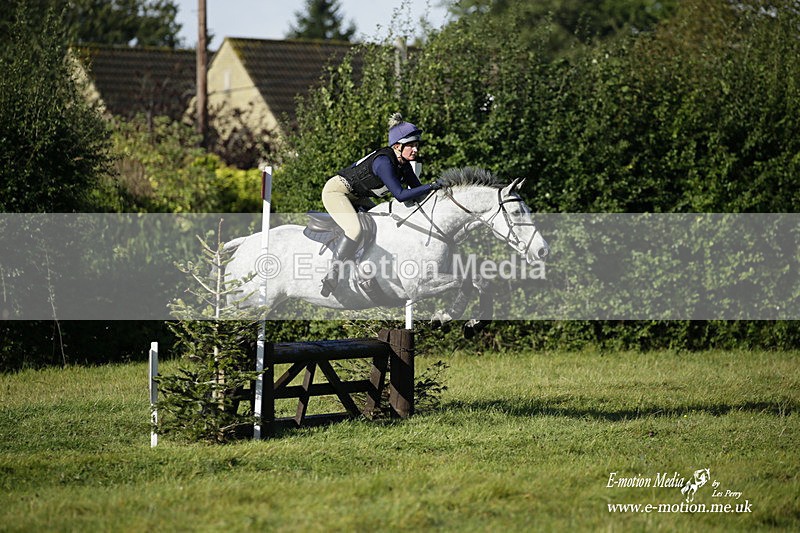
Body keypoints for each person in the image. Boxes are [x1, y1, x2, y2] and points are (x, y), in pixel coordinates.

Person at [320, 112, 443, 296]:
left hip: (357, 196)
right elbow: (401, 195)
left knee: (382, 227)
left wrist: (438, 194)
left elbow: (418, 194)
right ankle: (333, 272)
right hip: (336, 192)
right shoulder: (383, 162)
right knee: (355, 230)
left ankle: (363, 269)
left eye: (416, 145)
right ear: (396, 146)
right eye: (411, 145)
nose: (415, 150)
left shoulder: (404, 165)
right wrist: (431, 185)